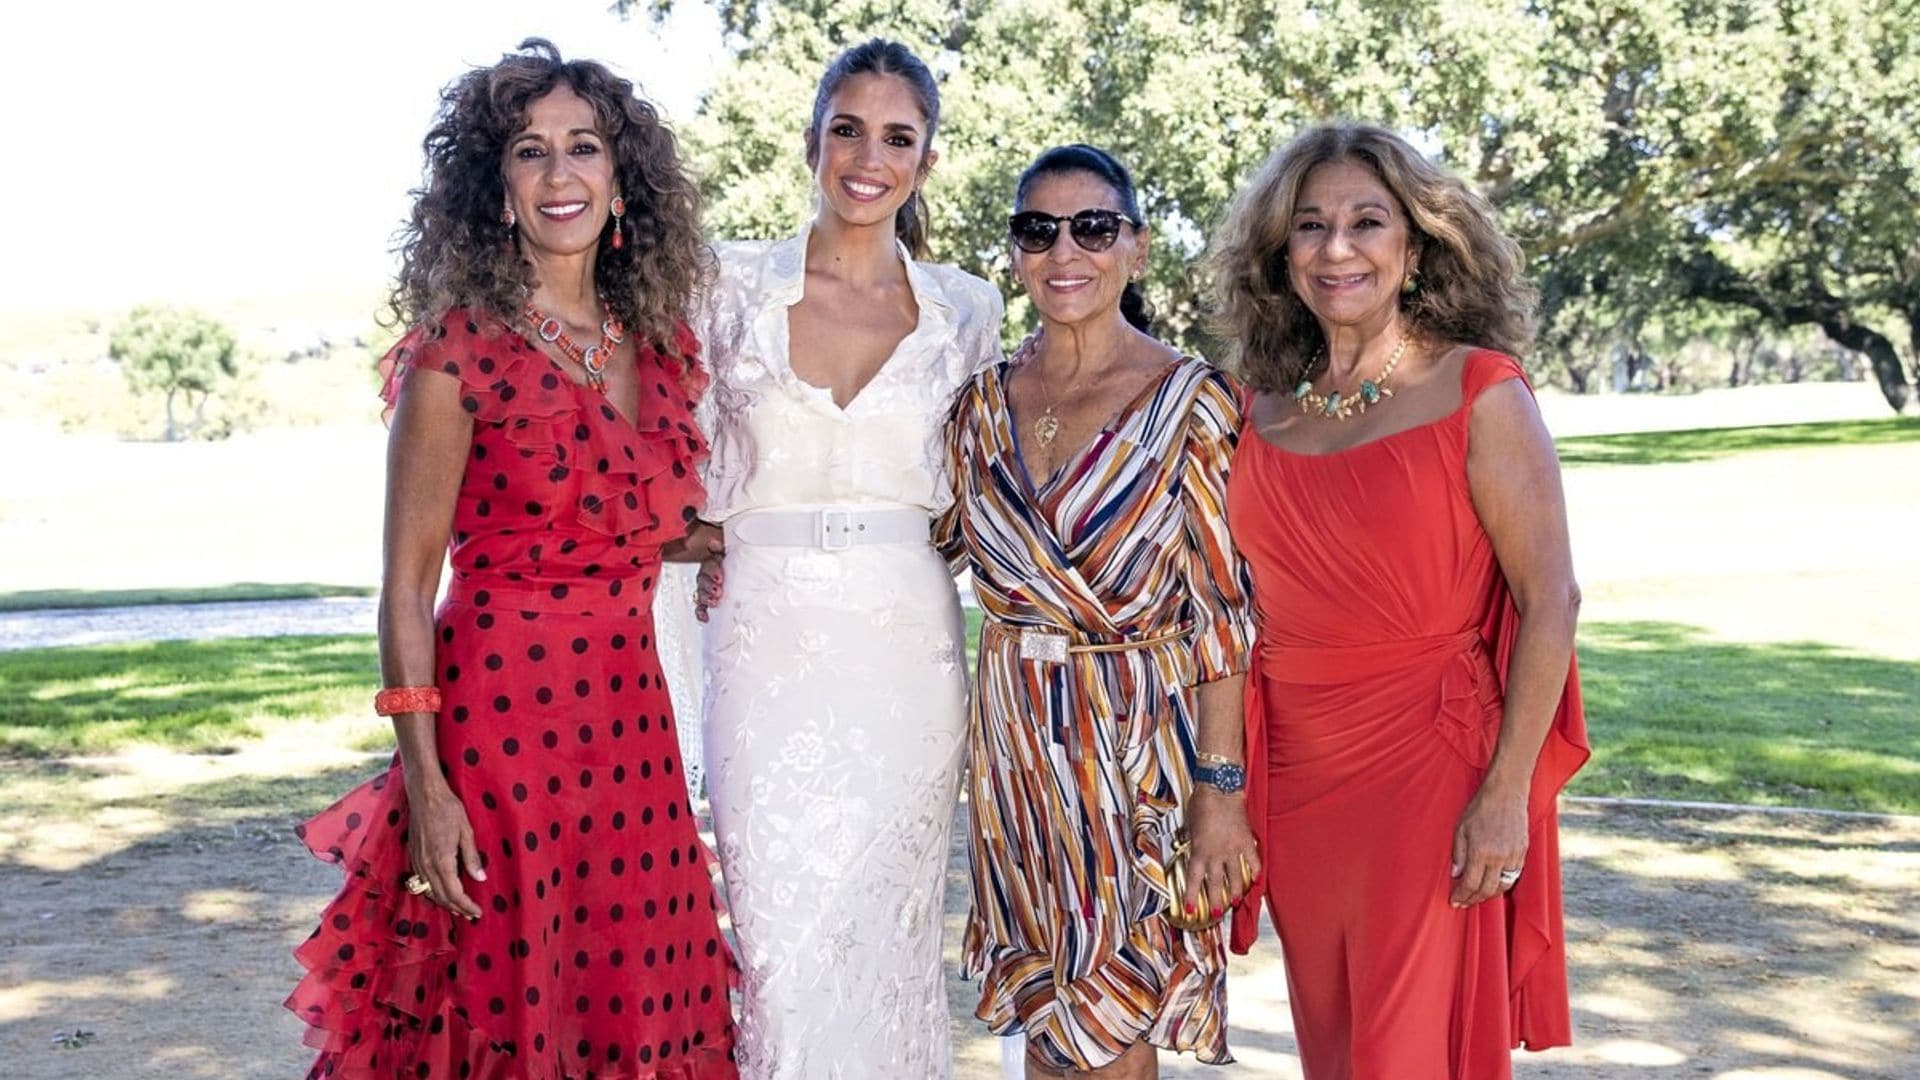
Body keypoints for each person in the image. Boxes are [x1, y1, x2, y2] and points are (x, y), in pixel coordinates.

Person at [285, 40, 738, 1078]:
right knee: (507, 997)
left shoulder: (657, 344)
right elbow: (406, 588)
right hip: (499, 734)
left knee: (641, 994)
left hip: (631, 731)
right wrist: (427, 784)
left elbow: (618, 518)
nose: (560, 173)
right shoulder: (458, 352)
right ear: (497, 190)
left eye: (584, 147)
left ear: (622, 177)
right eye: (531, 152)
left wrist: (733, 537)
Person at [1210, 122, 1591, 1079]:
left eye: (1366, 222)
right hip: (1296, 784)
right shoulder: (1261, 412)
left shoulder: (1479, 391)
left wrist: (1507, 793)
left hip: (1431, 770)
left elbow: (1552, 600)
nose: (1337, 249)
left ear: (1414, 246)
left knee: (1405, 1052)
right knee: (1337, 1051)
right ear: (1280, 253)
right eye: (1310, 226)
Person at [684, 38, 1004, 1079]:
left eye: (898, 136)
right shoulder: (721, 283)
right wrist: (694, 536)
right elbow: (656, 449)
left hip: (905, 648)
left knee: (888, 940)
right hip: (762, 638)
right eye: (848, 129)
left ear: (927, 159)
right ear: (811, 140)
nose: (870, 157)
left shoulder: (967, 310)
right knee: (778, 943)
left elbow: (987, 488)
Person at [942, 144, 1260, 1079]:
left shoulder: (1194, 404)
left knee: (1113, 1020)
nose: (1064, 250)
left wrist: (1221, 791)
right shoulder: (977, 410)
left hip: (1133, 753)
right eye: (1038, 230)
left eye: (1093, 227)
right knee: (1048, 1016)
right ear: (1014, 253)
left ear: (1137, 249)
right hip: (1013, 757)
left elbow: (1222, 613)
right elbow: (920, 542)